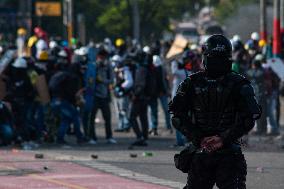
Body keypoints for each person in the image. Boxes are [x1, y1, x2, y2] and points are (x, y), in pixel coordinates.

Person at [169, 34, 261, 189]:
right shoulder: (239, 83)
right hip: (220, 151)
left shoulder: (191, 82)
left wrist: (202, 139)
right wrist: (218, 139)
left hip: (211, 152)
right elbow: (248, 119)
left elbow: (177, 117)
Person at [89, 49, 117, 144]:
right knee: (91, 117)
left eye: (104, 57)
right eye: (101, 57)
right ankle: (92, 137)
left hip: (104, 96)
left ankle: (109, 136)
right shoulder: (93, 66)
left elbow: (112, 80)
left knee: (107, 117)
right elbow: (89, 80)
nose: (102, 59)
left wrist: (103, 80)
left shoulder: (108, 66)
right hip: (95, 96)